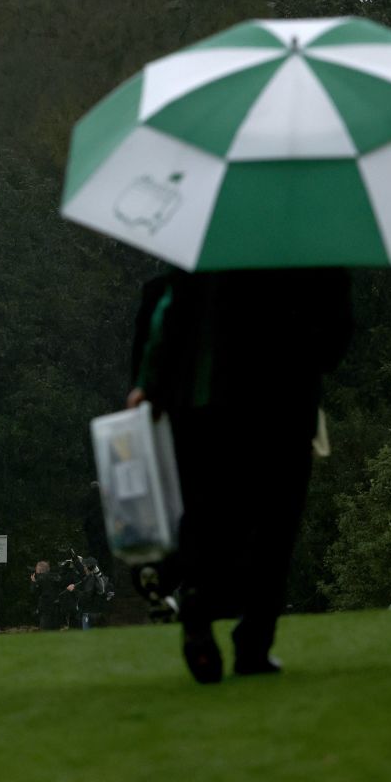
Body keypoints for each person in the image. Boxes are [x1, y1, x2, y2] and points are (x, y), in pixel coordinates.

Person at [130, 268, 351, 683]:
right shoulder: (316, 253)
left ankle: (197, 601)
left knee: (208, 514)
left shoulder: (210, 250)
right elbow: (334, 339)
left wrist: (148, 383)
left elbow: (167, 313)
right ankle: (254, 642)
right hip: (285, 401)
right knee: (275, 526)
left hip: (208, 401)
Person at [74, 557, 114, 630]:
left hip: (90, 614)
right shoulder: (103, 579)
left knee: (88, 639)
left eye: (85, 566)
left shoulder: (91, 580)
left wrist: (74, 591)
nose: (84, 568)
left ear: (89, 567)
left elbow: (86, 596)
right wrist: (78, 560)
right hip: (101, 615)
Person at [30, 561, 65, 630]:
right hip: (56, 607)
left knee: (44, 629)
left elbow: (33, 592)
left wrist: (33, 582)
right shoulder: (56, 577)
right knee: (55, 629)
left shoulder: (40, 579)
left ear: (39, 570)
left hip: (45, 607)